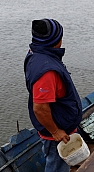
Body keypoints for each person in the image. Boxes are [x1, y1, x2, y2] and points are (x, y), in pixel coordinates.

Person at [24, 18, 82, 172]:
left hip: (61, 121)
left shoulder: (36, 54)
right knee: (56, 166)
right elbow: (40, 108)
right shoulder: (47, 71)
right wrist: (56, 132)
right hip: (58, 132)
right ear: (56, 40)